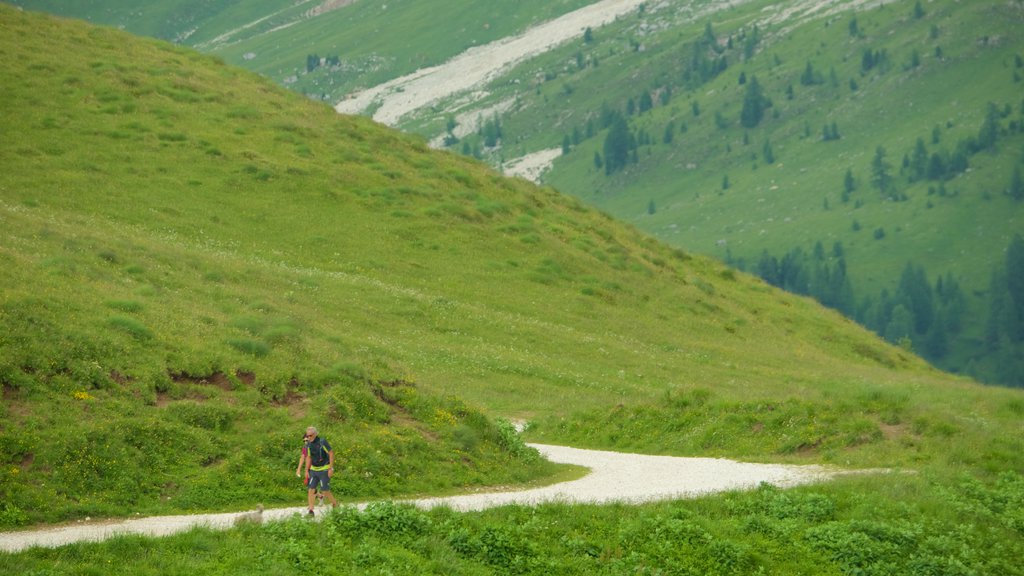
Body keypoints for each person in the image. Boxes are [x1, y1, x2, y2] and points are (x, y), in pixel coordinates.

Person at [304, 426, 338, 516]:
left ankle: (335, 504)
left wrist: (331, 468)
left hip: (324, 469)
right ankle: (311, 511)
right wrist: (306, 470)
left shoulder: (322, 442)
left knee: (324, 491)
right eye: (307, 436)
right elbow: (308, 457)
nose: (309, 437)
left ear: (315, 434)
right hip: (313, 470)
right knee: (311, 489)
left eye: (310, 435)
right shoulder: (308, 444)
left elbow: (331, 453)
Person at [296, 432, 324, 507]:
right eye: (304, 441)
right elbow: (302, 458)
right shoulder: (305, 448)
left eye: (307, 440)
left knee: (311, 487)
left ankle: (311, 505)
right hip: (308, 469)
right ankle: (320, 496)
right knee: (310, 486)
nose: (305, 442)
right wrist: (298, 469)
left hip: (315, 469)